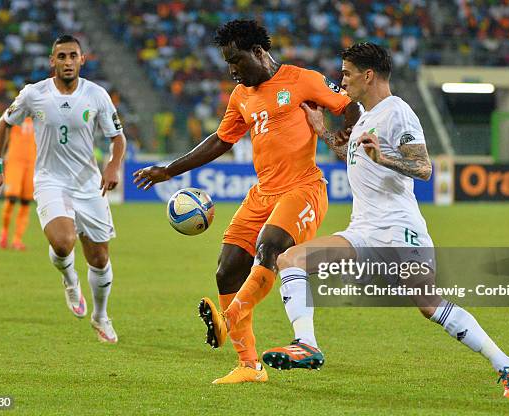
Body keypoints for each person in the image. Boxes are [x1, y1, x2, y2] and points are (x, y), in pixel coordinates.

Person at [262, 42, 509, 399]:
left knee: (429, 305)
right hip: (363, 231)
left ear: (368, 75)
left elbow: (423, 167)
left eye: (347, 73)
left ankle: (508, 365)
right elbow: (353, 153)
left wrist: (386, 159)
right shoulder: (365, 117)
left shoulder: (397, 112)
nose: (341, 80)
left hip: (399, 230)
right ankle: (306, 344)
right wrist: (321, 131)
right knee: (290, 260)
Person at [133, 19, 360, 384]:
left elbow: (348, 105)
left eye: (236, 60)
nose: (232, 70)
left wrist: (345, 130)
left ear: (258, 52)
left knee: (268, 247)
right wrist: (170, 170)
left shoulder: (302, 79)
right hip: (262, 194)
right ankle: (249, 366)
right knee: (227, 269)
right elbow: (220, 141)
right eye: (227, 63)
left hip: (302, 188)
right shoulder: (241, 97)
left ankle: (229, 318)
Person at [0, 35, 126, 344]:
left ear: (81, 60)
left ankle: (101, 316)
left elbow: (117, 137)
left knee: (100, 259)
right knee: (63, 243)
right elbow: (3, 124)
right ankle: (69, 278)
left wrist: (114, 165)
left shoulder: (97, 95)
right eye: (61, 56)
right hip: (50, 181)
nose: (67, 61)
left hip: (88, 185)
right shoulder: (34, 94)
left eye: (72, 56)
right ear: (52, 61)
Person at [0, 116, 36, 250]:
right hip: (15, 161)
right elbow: (4, 131)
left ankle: (17, 239)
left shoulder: (41, 113)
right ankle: (4, 232)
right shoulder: (17, 112)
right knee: (12, 198)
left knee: (26, 201)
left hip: (32, 163)